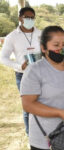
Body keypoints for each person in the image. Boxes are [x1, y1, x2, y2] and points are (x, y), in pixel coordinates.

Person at [0, 7, 41, 135]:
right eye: (27, 17)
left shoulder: (41, 34)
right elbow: (3, 58)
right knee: (28, 107)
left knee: (44, 103)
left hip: (42, 74)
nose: (30, 20)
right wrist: (19, 66)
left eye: (32, 18)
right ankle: (31, 135)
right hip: (23, 76)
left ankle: (43, 132)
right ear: (20, 18)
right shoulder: (12, 37)